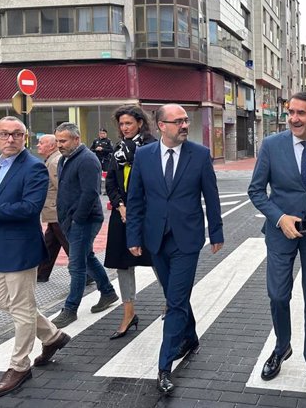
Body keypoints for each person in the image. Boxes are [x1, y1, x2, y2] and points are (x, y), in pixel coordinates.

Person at [0, 117, 70, 399]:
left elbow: (29, 208)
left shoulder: (34, 167)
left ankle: (19, 366)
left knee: (22, 309)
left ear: (25, 137)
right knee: (5, 303)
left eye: (16, 134)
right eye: (4, 134)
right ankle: (52, 336)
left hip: (21, 249)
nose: (10, 139)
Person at [126, 104, 223, 395]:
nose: (184, 125)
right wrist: (133, 236)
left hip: (187, 239)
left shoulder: (200, 154)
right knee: (174, 295)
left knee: (175, 302)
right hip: (156, 238)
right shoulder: (143, 155)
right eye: (177, 121)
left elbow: (212, 196)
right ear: (161, 126)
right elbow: (136, 199)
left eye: (186, 120)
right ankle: (190, 337)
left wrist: (216, 232)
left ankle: (164, 365)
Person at [248, 91, 306, 397]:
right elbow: (256, 190)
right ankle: (281, 346)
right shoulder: (272, 145)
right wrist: (279, 218)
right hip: (279, 232)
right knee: (277, 295)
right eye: (291, 112)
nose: (294, 118)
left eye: (301, 113)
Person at [52, 123, 118, 328]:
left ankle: (70, 309)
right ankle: (107, 292)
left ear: (76, 139)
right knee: (86, 257)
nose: (59, 145)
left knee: (77, 265)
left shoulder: (87, 160)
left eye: (63, 141)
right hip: (73, 219)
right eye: (57, 141)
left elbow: (90, 193)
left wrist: (77, 219)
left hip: (85, 220)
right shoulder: (66, 158)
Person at [104, 105, 157, 339]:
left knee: (157, 258)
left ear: (140, 123)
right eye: (121, 124)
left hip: (146, 213)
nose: (124, 128)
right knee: (122, 263)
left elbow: (156, 182)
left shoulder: (152, 146)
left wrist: (134, 208)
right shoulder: (118, 149)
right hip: (122, 213)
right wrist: (120, 205)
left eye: (128, 123)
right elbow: (111, 182)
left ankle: (173, 305)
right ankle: (128, 313)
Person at [36, 135, 69, 283]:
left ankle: (88, 272)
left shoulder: (55, 162)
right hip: (53, 211)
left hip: (56, 211)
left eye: (41, 143)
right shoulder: (53, 160)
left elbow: (62, 187)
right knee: (51, 242)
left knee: (67, 243)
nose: (38, 145)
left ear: (51, 146)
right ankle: (41, 273)